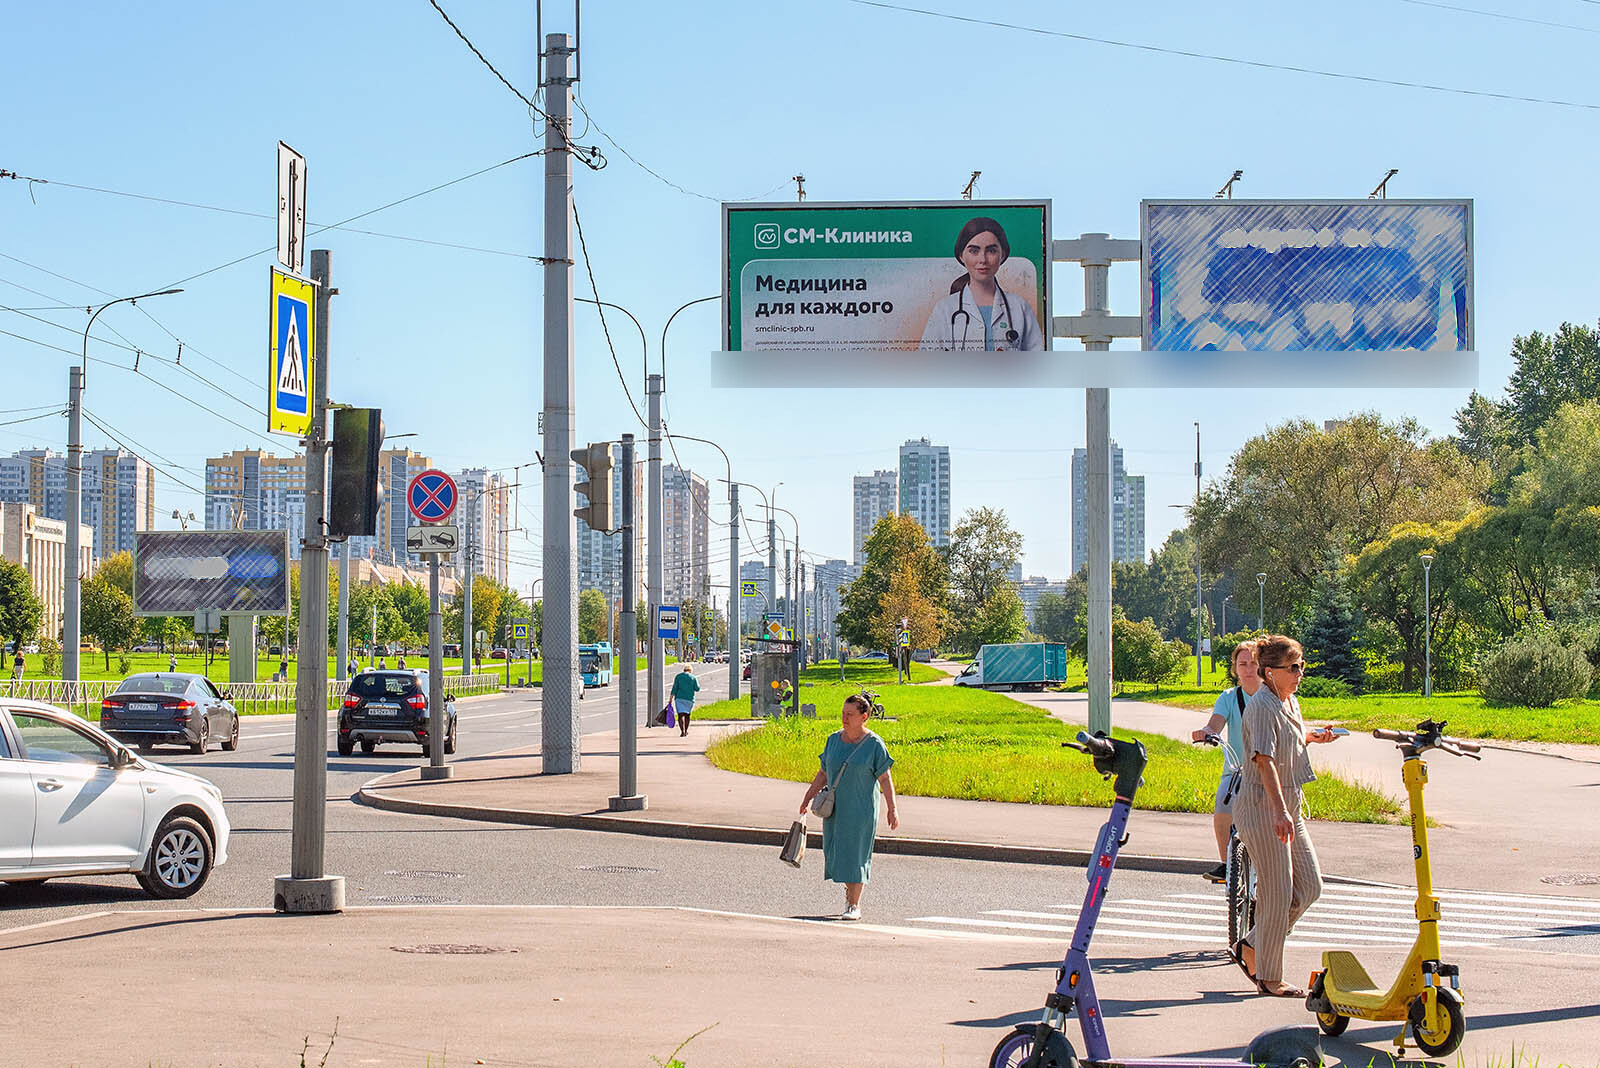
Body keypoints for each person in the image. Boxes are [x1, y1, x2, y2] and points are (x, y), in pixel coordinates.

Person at [1232, 634, 1342, 997]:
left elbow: (1286, 742)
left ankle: (1252, 944)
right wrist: (1280, 811)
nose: (1300, 673)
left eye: (1302, 665)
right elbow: (1264, 761)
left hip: (1288, 806)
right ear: (1270, 672)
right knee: (1278, 895)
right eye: (1293, 667)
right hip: (1264, 809)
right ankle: (1269, 976)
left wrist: (1312, 737)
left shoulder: (1289, 701)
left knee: (1310, 887)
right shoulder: (1262, 706)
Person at [799, 692, 900, 921]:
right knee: (836, 853)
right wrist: (807, 797)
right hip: (835, 810)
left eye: (850, 714)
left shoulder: (874, 744)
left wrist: (892, 808)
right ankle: (850, 890)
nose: (845, 718)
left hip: (861, 810)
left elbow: (885, 778)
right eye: (843, 713)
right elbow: (823, 773)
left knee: (856, 855)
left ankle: (854, 904)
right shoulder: (833, 740)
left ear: (864, 716)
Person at [918, 216, 1044, 352]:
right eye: (974, 251)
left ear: (1002, 255)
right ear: (961, 256)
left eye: (991, 251)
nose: (983, 259)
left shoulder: (1019, 307)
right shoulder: (945, 309)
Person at [1191, 639, 1261, 883]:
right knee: (1223, 804)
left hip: (1267, 770)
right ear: (1235, 668)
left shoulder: (1272, 697)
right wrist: (1207, 732)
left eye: (1254, 663)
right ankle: (1226, 865)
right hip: (1237, 770)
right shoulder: (1229, 697)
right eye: (1243, 664)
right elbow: (1215, 724)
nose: (1249, 669)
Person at [671, 663, 700, 736]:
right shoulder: (693, 677)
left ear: (684, 670)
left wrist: (670, 698)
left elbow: (674, 688)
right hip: (689, 699)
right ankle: (686, 730)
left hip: (679, 698)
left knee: (680, 715)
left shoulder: (678, 676)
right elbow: (697, 688)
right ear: (690, 670)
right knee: (687, 715)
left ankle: (682, 731)